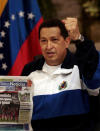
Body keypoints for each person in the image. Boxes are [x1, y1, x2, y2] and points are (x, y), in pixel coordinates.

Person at [21, 17, 100, 131]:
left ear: (67, 41)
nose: (48, 46)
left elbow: (92, 63)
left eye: (54, 40)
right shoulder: (29, 70)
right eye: (44, 41)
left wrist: (79, 39)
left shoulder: (81, 66)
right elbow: (19, 114)